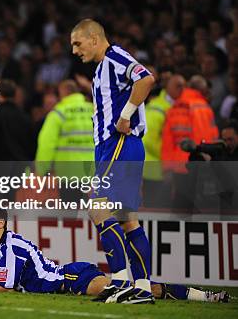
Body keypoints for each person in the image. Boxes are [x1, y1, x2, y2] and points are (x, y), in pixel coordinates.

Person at [0, 203, 230, 304]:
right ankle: (197, 295)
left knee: (132, 290)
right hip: (65, 281)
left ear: (0, 223)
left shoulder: (11, 247)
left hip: (71, 278)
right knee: (132, 290)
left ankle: (202, 296)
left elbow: (3, 288)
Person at [70, 19, 156, 304]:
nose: (74, 50)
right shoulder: (102, 68)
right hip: (113, 146)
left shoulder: (115, 57)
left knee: (96, 205)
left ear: (94, 39)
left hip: (118, 143)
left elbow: (146, 78)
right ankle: (141, 288)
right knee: (127, 219)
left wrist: (125, 115)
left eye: (78, 43)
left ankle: (119, 280)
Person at [161, 75, 219, 209]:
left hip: (178, 167)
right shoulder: (202, 107)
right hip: (197, 166)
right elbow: (203, 138)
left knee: (180, 207)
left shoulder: (174, 108)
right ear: (202, 90)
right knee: (200, 209)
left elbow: (168, 142)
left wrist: (167, 168)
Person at [35, 79, 94, 203]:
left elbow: (46, 144)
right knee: (94, 215)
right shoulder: (94, 110)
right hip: (94, 172)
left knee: (71, 215)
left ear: (63, 93)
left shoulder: (58, 113)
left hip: (68, 173)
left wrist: (41, 170)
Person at [142, 74, 185, 207]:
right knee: (157, 210)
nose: (182, 90)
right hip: (155, 170)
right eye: (178, 86)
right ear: (168, 88)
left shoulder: (175, 106)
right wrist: (169, 159)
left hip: (166, 169)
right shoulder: (158, 107)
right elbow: (148, 138)